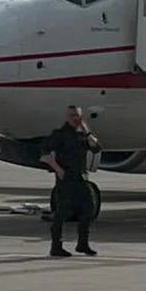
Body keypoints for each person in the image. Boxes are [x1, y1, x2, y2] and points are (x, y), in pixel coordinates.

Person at [40, 105, 102, 257]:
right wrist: (58, 169)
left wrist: (89, 135)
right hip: (66, 179)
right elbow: (44, 155)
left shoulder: (82, 135)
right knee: (62, 213)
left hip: (81, 177)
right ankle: (56, 246)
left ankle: (82, 243)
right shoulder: (60, 134)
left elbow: (97, 148)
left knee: (89, 209)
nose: (76, 118)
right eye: (73, 115)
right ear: (67, 117)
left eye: (78, 116)